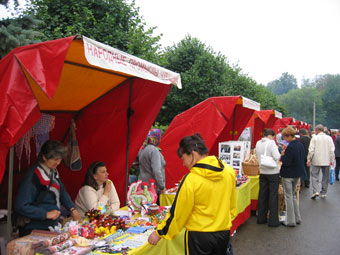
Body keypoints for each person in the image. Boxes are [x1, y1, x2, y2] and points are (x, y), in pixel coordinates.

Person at [148, 134, 236, 255]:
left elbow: (178, 214)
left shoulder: (191, 179)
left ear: (193, 154)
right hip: (223, 232)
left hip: (199, 236)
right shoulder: (229, 171)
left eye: (183, 158)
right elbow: (231, 205)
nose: (183, 164)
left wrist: (159, 232)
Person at [15, 140, 81, 237]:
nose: (58, 162)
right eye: (55, 159)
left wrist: (72, 209)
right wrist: (46, 214)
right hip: (34, 229)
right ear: (44, 157)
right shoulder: (33, 177)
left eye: (60, 159)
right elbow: (21, 205)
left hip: (50, 227)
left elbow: (61, 191)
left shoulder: (53, 172)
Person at [255, 128, 281, 227]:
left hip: (262, 171)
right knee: (273, 195)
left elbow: (257, 155)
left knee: (262, 194)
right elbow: (277, 156)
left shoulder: (258, 143)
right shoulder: (271, 143)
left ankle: (261, 218)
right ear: (271, 136)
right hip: (272, 172)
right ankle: (273, 221)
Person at [280, 127, 305, 227]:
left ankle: (290, 221)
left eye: (285, 137)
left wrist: (282, 155)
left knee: (288, 197)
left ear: (288, 136)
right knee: (294, 196)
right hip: (297, 173)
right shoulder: (300, 145)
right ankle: (297, 217)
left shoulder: (290, 147)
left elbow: (286, 162)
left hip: (288, 174)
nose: (284, 139)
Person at [307, 124, 335, 199]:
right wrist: (332, 160)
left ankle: (316, 190)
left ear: (317, 130)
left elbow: (311, 150)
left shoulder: (314, 138)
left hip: (316, 160)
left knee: (314, 176)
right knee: (325, 177)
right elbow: (332, 150)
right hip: (326, 160)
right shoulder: (329, 138)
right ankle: (323, 192)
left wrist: (309, 159)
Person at [138, 129, 166, 198]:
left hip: (142, 186)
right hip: (153, 189)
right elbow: (156, 171)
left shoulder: (142, 149)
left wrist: (145, 170)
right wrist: (162, 187)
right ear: (156, 138)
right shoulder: (154, 150)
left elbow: (135, 164)